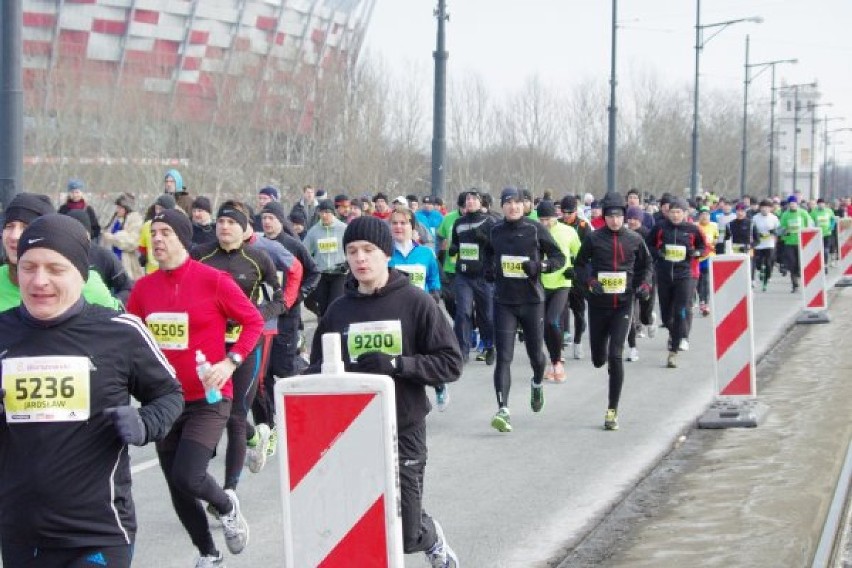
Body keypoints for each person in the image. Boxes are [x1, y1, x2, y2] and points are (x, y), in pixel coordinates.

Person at [0, 214, 183, 568]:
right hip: (21, 531)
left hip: (97, 532)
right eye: (29, 268)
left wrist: (145, 422)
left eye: (56, 269)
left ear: (81, 275)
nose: (40, 281)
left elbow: (169, 394)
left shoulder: (120, 332)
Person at [306, 216, 462, 568]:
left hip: (403, 427)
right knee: (358, 521)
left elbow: (451, 363)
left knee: (407, 532)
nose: (360, 259)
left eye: (369, 250)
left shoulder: (416, 302)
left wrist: (397, 365)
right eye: (352, 251)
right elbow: (318, 367)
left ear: (387, 253)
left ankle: (431, 536)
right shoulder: (338, 310)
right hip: (352, 430)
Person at [126, 210, 263, 566]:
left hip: (209, 397)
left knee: (189, 475)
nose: (157, 239)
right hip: (163, 401)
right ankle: (209, 553)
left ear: (183, 238)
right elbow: (131, 341)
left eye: (166, 232)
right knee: (177, 488)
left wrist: (229, 362)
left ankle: (226, 505)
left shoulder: (213, 280)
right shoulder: (143, 289)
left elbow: (253, 322)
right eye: (153, 232)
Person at [191, 202, 285, 488]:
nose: (224, 226)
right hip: (208, 347)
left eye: (231, 222)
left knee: (235, 415)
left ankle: (229, 492)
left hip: (245, 345)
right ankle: (256, 436)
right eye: (220, 221)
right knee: (210, 408)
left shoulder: (259, 259)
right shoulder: (200, 256)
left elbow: (280, 298)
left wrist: (258, 315)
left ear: (244, 229)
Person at [484, 187, 565, 433]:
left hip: (531, 301)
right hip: (504, 301)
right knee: (504, 357)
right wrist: (489, 270)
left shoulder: (535, 229)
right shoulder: (495, 230)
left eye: (517, 203)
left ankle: (538, 382)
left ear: (525, 206)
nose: (513, 207)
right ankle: (503, 410)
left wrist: (539, 265)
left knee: (535, 357)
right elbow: (488, 255)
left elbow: (559, 258)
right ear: (502, 206)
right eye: (507, 203)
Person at [574, 193, 653, 430]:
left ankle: (612, 410)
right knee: (600, 359)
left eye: (619, 216)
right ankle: (603, 358)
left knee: (616, 355)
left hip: (624, 305)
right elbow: (579, 265)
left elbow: (647, 265)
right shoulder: (593, 238)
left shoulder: (635, 239)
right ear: (605, 217)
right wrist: (590, 281)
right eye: (610, 216)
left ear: (625, 217)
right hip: (598, 306)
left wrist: (645, 285)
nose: (615, 221)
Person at [0, 193, 122, 313]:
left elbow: (117, 327)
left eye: (25, 227)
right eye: (9, 226)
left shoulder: (86, 283)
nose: (14, 236)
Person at [388, 207, 449, 410]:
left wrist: (434, 295)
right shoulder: (386, 255)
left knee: (423, 353)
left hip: (420, 312)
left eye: (403, 223)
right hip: (394, 312)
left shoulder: (425, 254)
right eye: (394, 223)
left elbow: (434, 280)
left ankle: (438, 384)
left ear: (412, 227)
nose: (399, 227)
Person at [646, 198, 708, 368]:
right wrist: (658, 252)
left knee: (682, 309)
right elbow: (648, 245)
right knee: (666, 316)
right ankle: (675, 335)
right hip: (665, 275)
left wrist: (696, 252)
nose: (675, 215)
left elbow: (705, 247)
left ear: (685, 213)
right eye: (672, 212)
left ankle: (675, 348)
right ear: (668, 213)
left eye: (678, 212)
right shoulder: (660, 228)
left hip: (685, 275)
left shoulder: (693, 230)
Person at [449, 190, 496, 364]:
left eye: (474, 199)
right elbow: (455, 242)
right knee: (463, 313)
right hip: (463, 275)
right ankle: (463, 351)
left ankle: (489, 346)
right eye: (468, 199)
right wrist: (454, 248)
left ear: (480, 202)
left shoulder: (489, 222)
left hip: (483, 276)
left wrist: (484, 239)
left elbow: (496, 247)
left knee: (487, 316)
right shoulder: (458, 223)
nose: (470, 202)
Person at [537, 200, 581, 382]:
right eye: (541, 219)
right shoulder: (534, 231)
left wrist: (575, 269)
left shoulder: (568, 232)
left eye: (548, 219)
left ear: (555, 217)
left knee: (552, 321)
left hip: (562, 283)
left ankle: (557, 363)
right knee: (544, 326)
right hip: (539, 284)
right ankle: (554, 360)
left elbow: (581, 254)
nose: (544, 223)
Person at [63, 209, 134, 305]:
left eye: (81, 232)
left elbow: (127, 287)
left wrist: (113, 304)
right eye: (71, 233)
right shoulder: (58, 256)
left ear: (88, 234)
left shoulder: (103, 256)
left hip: (101, 315)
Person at [559, 195, 592, 358]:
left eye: (569, 212)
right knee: (560, 308)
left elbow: (587, 253)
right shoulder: (557, 224)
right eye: (563, 212)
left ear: (576, 211)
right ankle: (560, 345)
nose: (566, 215)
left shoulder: (584, 226)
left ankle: (578, 340)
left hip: (578, 272)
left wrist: (579, 270)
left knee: (579, 310)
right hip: (561, 272)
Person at [303, 199, 348, 317]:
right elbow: (304, 251)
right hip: (321, 273)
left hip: (339, 273)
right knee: (322, 306)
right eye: (321, 212)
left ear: (333, 213)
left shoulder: (343, 229)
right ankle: (323, 329)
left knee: (335, 304)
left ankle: (336, 329)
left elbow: (352, 247)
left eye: (327, 212)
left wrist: (347, 263)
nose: (324, 215)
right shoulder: (314, 231)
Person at [101, 192, 145, 279]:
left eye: (120, 208)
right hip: (112, 262)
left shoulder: (135, 220)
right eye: (117, 207)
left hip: (128, 265)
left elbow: (132, 242)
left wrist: (113, 238)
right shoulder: (115, 220)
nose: (117, 210)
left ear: (127, 208)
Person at [778, 195, 814, 292]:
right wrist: (785, 232)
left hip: (801, 243)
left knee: (800, 264)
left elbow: (809, 225)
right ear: (788, 205)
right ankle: (795, 285)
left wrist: (809, 237)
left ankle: (804, 280)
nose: (792, 205)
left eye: (794, 203)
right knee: (792, 264)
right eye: (791, 204)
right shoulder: (785, 215)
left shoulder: (803, 213)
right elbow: (781, 229)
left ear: (797, 204)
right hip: (789, 243)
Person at [753, 199, 780, 291]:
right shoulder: (755, 218)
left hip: (769, 244)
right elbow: (752, 230)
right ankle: (760, 271)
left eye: (767, 208)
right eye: (763, 208)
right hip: (758, 244)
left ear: (770, 209)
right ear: (760, 208)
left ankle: (767, 279)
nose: (764, 209)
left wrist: (774, 232)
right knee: (758, 263)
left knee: (768, 263)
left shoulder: (774, 218)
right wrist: (756, 234)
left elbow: (779, 230)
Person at [811, 198, 836, 269]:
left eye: (822, 204)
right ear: (817, 204)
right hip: (817, 234)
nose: (821, 205)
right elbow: (810, 221)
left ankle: (825, 265)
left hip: (827, 233)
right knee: (818, 251)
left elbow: (833, 219)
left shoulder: (829, 211)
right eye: (819, 204)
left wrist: (831, 226)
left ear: (824, 204)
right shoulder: (814, 212)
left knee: (826, 250)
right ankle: (818, 265)